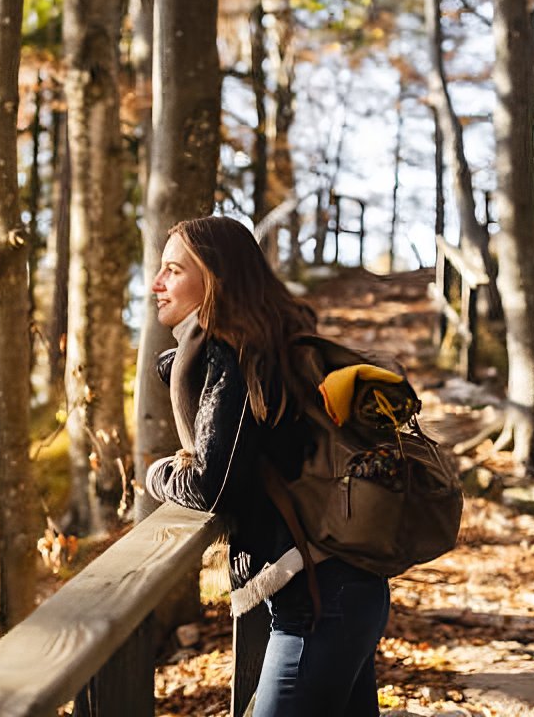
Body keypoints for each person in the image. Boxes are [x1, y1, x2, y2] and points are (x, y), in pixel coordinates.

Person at [144, 215, 389, 717]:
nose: (157, 283)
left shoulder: (235, 354)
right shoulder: (262, 344)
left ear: (214, 277)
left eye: (173, 270)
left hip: (321, 603)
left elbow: (210, 486)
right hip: (341, 589)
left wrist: (155, 473)